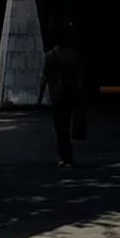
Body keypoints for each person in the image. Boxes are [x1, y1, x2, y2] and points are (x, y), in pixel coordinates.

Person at [38, 27, 84, 167]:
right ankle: (67, 154)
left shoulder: (50, 56)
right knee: (67, 124)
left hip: (57, 97)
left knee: (60, 127)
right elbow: (79, 78)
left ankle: (64, 156)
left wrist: (40, 97)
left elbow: (44, 78)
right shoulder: (73, 55)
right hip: (71, 95)